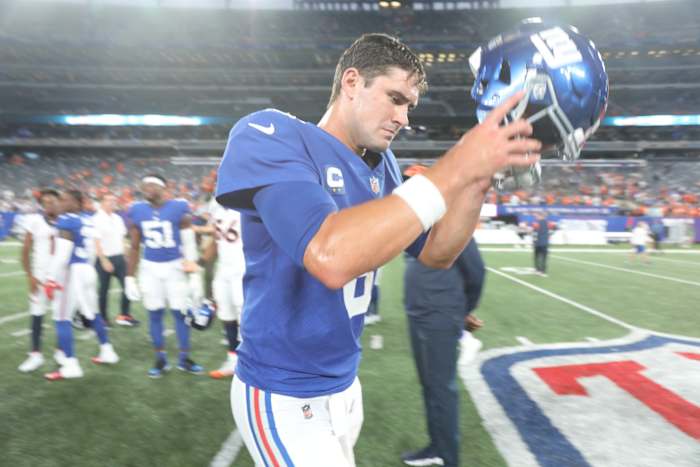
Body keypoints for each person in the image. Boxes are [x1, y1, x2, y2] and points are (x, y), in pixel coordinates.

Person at [215, 33, 540, 466]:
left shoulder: (382, 164)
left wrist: (477, 182)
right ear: (352, 82)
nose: (403, 117)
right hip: (284, 390)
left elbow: (438, 253)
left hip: (345, 384)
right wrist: (459, 161)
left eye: (409, 106)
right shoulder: (271, 134)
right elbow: (330, 258)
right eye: (395, 98)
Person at [403, 237, 486, 467]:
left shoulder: (452, 220)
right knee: (429, 385)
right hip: (418, 313)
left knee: (441, 389)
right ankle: (436, 447)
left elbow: (476, 271)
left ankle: (450, 458)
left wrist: (462, 310)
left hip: (440, 315)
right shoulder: (416, 221)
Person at [125, 174, 205, 378]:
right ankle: (160, 359)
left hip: (174, 267)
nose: (146, 188)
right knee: (154, 313)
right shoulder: (137, 210)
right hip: (150, 268)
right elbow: (134, 246)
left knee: (180, 314)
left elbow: (188, 243)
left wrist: (194, 273)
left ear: (163, 187)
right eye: (143, 186)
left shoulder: (178, 207)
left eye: (150, 185)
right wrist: (129, 277)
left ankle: (184, 358)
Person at [43, 190, 119, 380]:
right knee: (93, 314)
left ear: (77, 203)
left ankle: (70, 364)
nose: (61, 203)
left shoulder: (67, 220)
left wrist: (51, 278)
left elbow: (62, 255)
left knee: (62, 318)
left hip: (72, 272)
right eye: (60, 199)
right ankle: (107, 351)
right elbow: (92, 248)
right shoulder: (87, 219)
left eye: (65, 199)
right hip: (87, 268)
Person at [200, 201, 245, 379]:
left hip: (243, 267)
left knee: (244, 314)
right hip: (224, 268)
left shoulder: (248, 202)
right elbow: (216, 240)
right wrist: (200, 263)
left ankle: (250, 360)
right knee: (226, 315)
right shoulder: (215, 206)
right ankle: (232, 359)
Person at [17, 189, 60, 373]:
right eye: (45, 201)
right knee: (37, 314)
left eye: (52, 201)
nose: (49, 204)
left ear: (59, 202)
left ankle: (61, 351)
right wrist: (30, 276)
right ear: (41, 204)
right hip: (40, 275)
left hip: (59, 276)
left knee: (61, 316)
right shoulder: (34, 220)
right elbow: (25, 250)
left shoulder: (66, 221)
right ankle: (35, 355)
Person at [93, 193, 138, 327]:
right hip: (104, 258)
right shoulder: (96, 219)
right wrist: (104, 260)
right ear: (102, 202)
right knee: (104, 290)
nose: (112, 203)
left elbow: (123, 237)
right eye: (109, 200)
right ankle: (103, 318)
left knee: (128, 286)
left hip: (119, 257)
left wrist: (125, 253)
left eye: (114, 200)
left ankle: (124, 315)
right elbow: (96, 241)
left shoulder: (117, 218)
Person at [532, 212, 553, 277]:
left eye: (537, 216)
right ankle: (543, 271)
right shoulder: (549, 223)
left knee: (537, 257)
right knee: (544, 258)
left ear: (540, 216)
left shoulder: (536, 223)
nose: (536, 217)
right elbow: (552, 230)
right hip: (545, 242)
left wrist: (534, 242)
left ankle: (537, 269)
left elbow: (534, 234)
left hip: (538, 243)